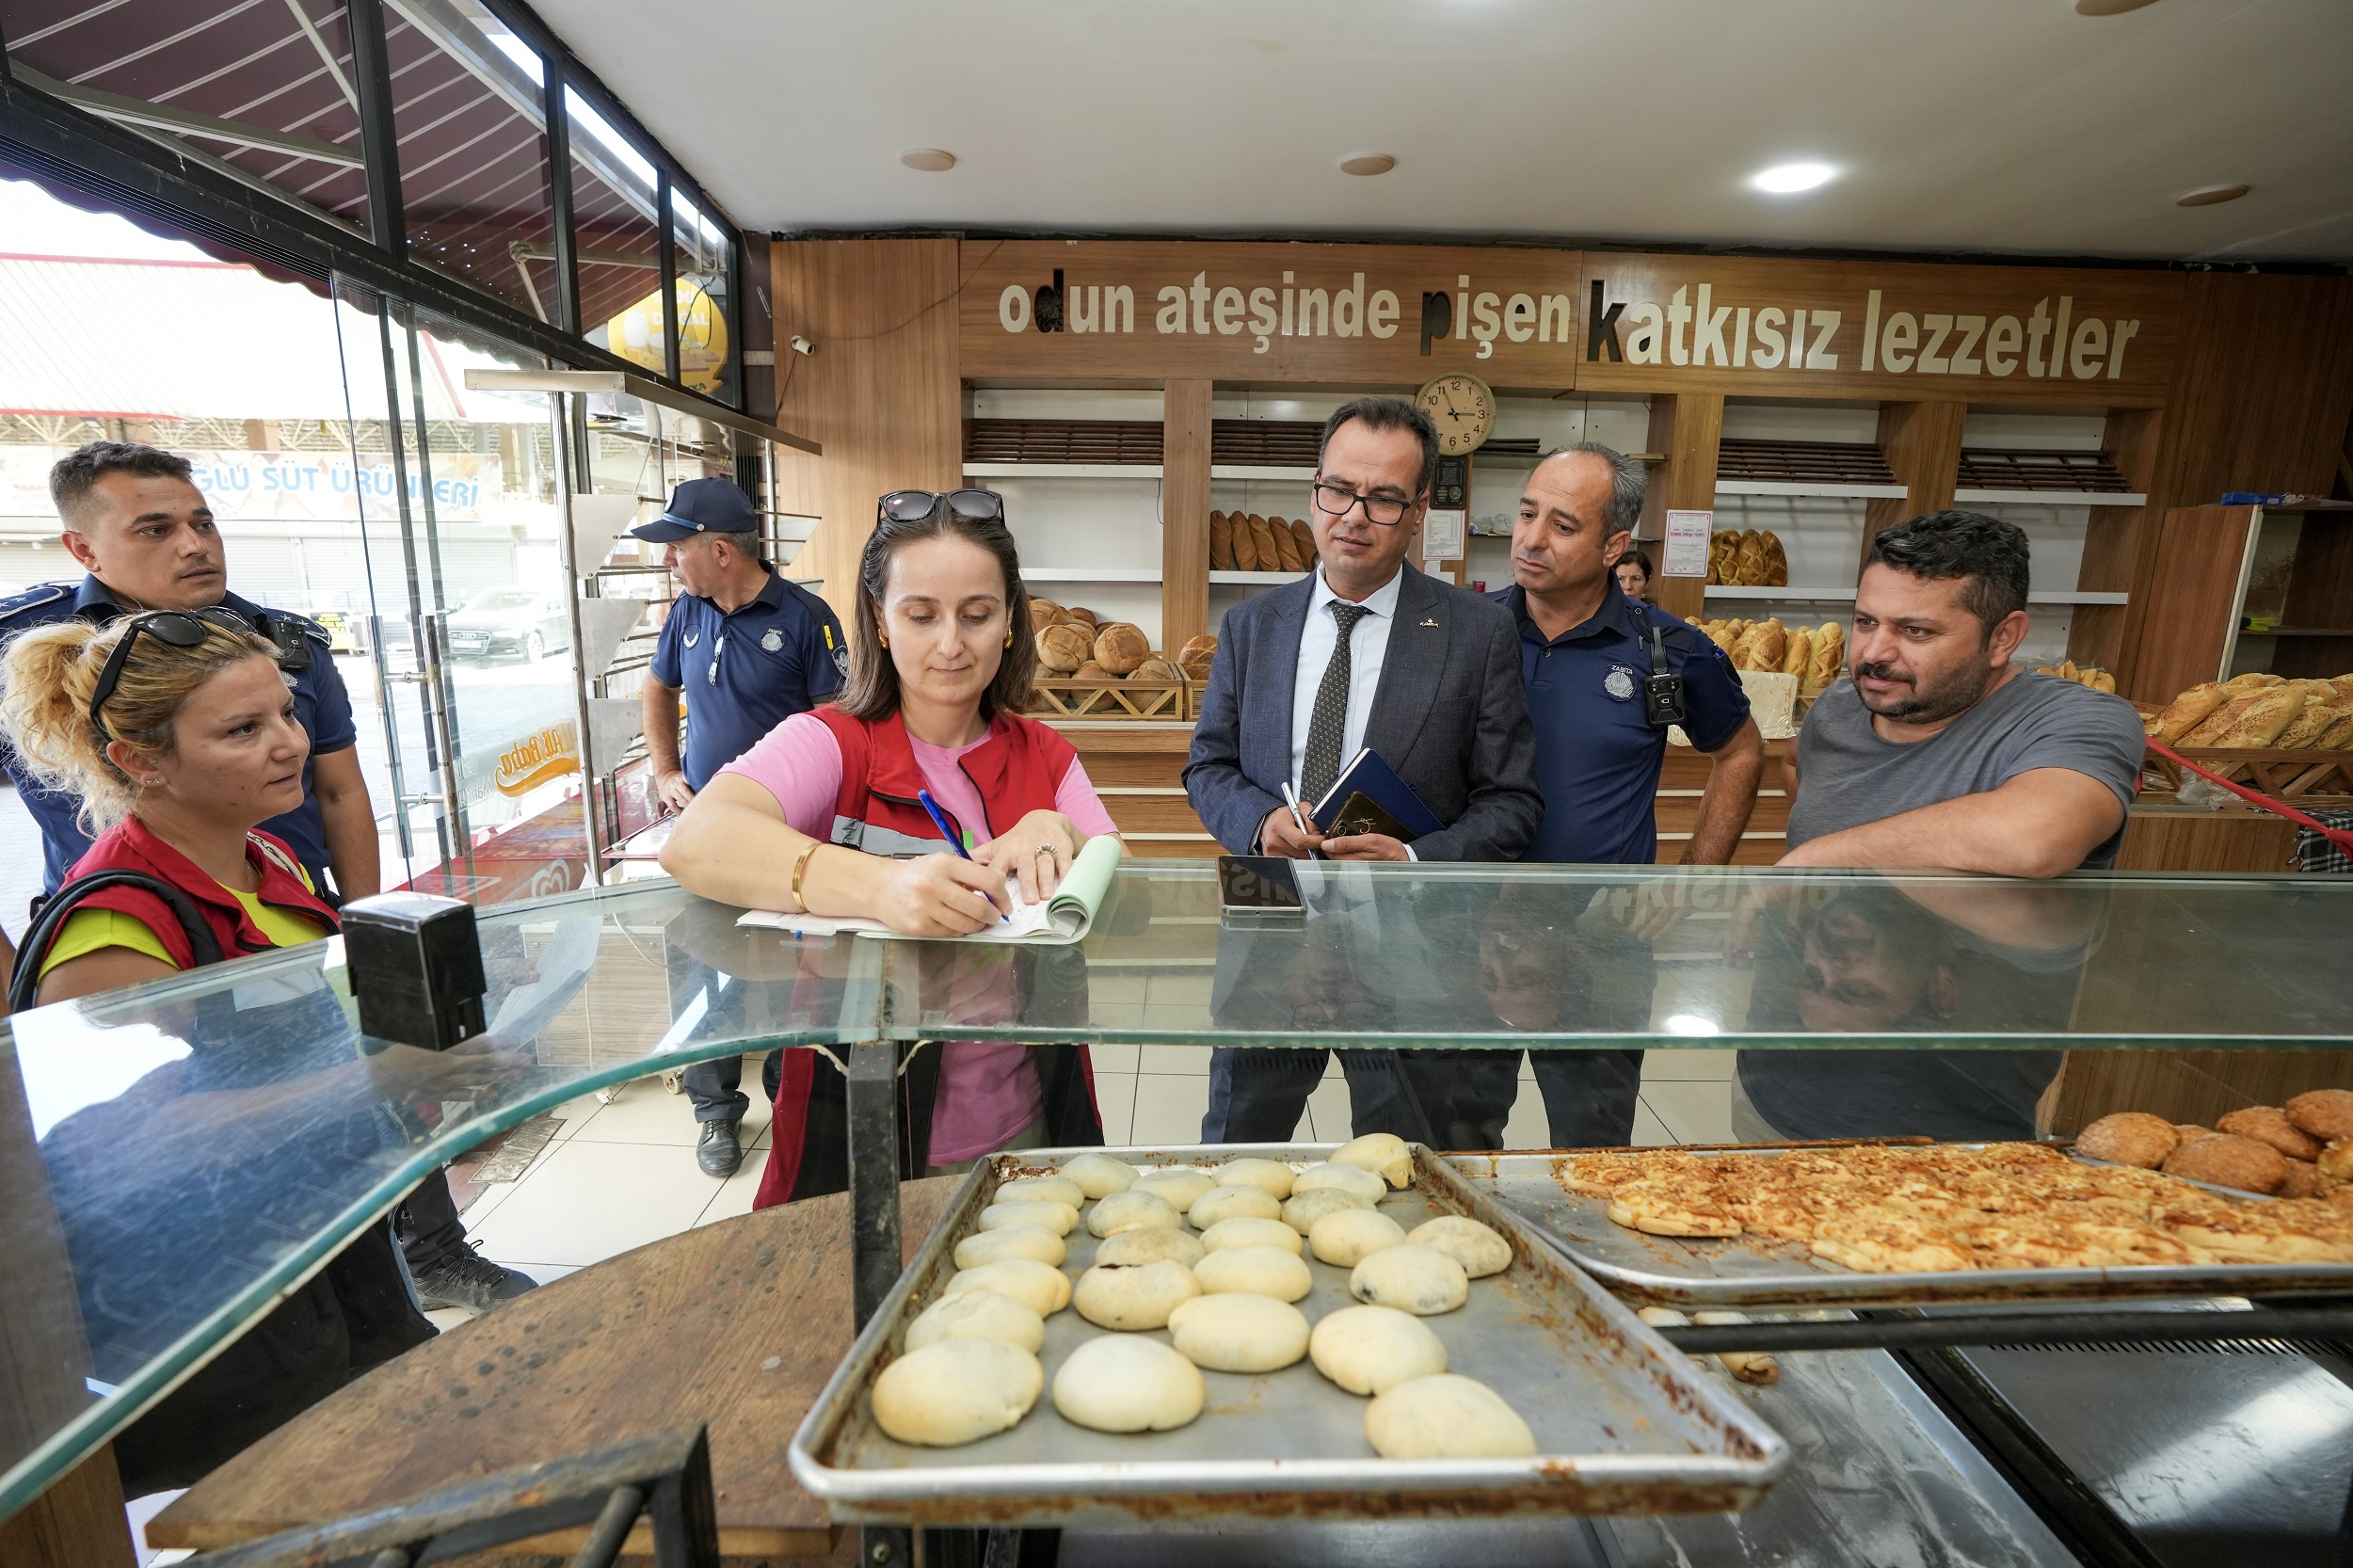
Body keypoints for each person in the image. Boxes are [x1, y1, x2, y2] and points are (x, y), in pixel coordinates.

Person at [0, 440, 527, 1313]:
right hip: (213, 1288)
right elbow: (128, 1146)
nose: (289, 743)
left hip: (318, 1228)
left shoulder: (268, 857)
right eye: (243, 731)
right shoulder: (114, 932)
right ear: (142, 760)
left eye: (286, 712)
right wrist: (386, 1081)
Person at [660, 488, 1113, 1204]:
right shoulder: (830, 742)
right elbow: (696, 843)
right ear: (879, 618)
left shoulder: (1046, 755)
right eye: (921, 614)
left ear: (1009, 622)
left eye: (977, 615)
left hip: (1026, 1126)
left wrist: (1062, 831)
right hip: (859, 1129)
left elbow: (1126, 885)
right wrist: (883, 889)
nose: (950, 644)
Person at [1182, 396, 1543, 1144]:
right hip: (1269, 924)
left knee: (1407, 1163)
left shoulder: (1477, 633)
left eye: (1382, 498)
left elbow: (1511, 801)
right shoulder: (1253, 626)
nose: (1354, 514)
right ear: (1314, 491)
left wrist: (1415, 856)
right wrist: (1258, 821)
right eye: (1338, 490)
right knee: (1237, 1153)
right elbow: (1207, 766)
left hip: (1412, 944)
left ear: (1416, 513)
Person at [1736, 508, 2145, 1137]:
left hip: (1953, 1119)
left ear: (2003, 637)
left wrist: (1831, 853)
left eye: (1916, 630)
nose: (1874, 652)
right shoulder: (1841, 709)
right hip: (1776, 1091)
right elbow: (1798, 768)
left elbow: (2036, 836)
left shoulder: (2078, 720)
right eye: (1866, 621)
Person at [1474, 444, 1763, 1145]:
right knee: (1458, 1128)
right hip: (1472, 923)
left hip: (1605, 935)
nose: (1532, 539)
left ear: (1614, 546)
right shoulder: (1462, 632)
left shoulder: (1667, 649)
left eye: (1563, 525)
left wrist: (1696, 872)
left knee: (1594, 1138)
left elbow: (1740, 750)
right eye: (1526, 514)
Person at [635, 475, 848, 1177]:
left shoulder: (809, 618)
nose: (671, 560)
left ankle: (791, 1092)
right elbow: (657, 687)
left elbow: (839, 730)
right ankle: (714, 1113)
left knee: (797, 973)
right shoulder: (686, 613)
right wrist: (667, 770)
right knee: (701, 968)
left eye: (678, 548)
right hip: (703, 833)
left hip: (786, 840)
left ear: (721, 550)